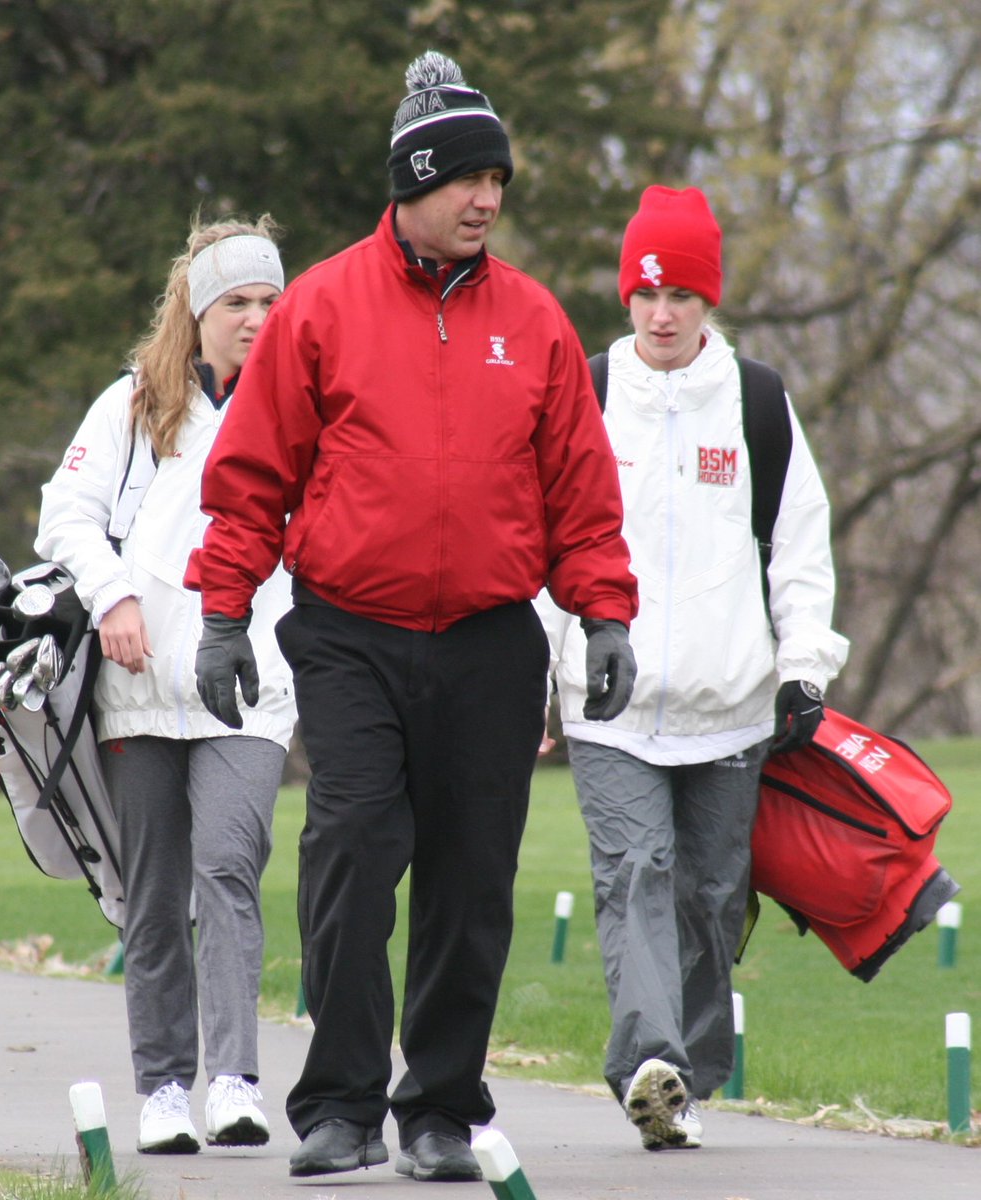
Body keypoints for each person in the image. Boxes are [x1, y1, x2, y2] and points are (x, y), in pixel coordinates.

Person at [184, 50, 639, 1184]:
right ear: (414, 184)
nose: (487, 200)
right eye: (467, 180)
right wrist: (224, 613)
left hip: (489, 640)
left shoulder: (533, 320)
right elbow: (252, 476)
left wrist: (603, 615)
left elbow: (580, 491)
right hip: (349, 633)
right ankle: (339, 1105)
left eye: (498, 182)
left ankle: (438, 1110)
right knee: (350, 852)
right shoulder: (320, 306)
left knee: (470, 882)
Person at [536, 185, 849, 1151]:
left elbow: (798, 550)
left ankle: (687, 1083)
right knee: (635, 874)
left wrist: (802, 669)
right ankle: (649, 1065)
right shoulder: (586, 392)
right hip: (610, 706)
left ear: (708, 299)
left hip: (731, 705)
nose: (660, 314)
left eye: (678, 296)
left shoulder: (756, 402)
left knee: (712, 900)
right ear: (625, 296)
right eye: (644, 294)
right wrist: (539, 673)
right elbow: (540, 544)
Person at [34, 216, 296, 1155]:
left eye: (270, 301)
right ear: (197, 308)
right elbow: (64, 515)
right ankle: (163, 1090)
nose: (256, 319)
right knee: (153, 894)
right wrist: (112, 596)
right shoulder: (133, 405)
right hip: (137, 688)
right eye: (237, 303)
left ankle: (233, 1080)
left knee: (227, 868)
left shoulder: (301, 405)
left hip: (250, 689)